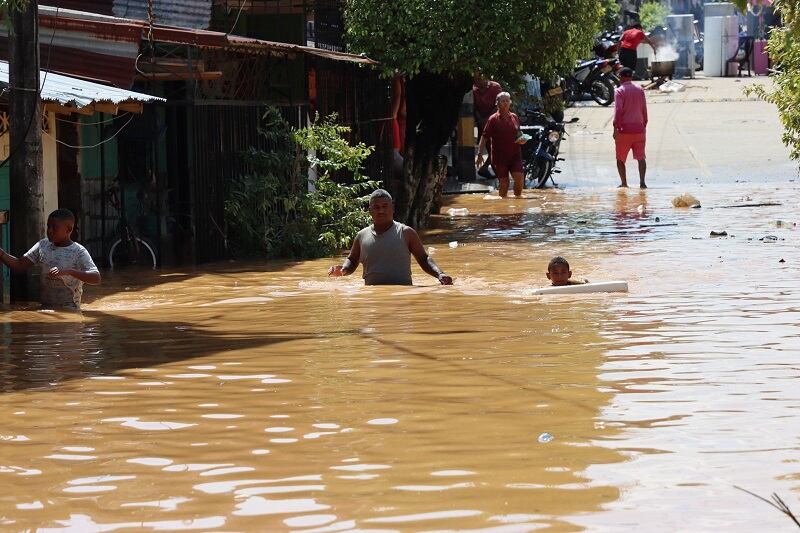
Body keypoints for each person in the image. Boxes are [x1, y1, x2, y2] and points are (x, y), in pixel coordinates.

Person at [328, 189, 453, 286]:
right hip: (371, 299)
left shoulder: (406, 232)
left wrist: (440, 274)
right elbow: (352, 260)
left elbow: (424, 259)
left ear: (392, 208)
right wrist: (343, 270)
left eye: (385, 206)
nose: (381, 210)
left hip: (402, 296)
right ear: (369, 211)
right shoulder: (361, 236)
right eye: (376, 207)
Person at [0, 208, 101, 309]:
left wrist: (69, 272)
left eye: (54, 228)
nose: (49, 231)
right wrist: (2, 254)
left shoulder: (78, 251)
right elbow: (19, 265)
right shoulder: (43, 245)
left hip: (69, 310)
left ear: (68, 230)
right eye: (48, 226)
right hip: (45, 308)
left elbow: (96, 278)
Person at [475, 92, 525, 198]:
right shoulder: (493, 119)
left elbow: (519, 134)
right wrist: (479, 153)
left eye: (507, 101)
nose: (506, 103)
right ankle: (503, 209)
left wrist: (522, 139)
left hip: (515, 155)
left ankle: (518, 203)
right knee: (504, 183)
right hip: (500, 157)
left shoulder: (514, 117)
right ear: (497, 103)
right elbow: (484, 137)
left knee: (520, 178)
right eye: (503, 101)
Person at [613, 67, 648, 189]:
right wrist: (644, 125)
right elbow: (644, 110)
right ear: (631, 77)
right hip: (639, 129)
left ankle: (624, 183)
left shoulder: (619, 91)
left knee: (620, 158)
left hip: (624, 131)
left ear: (621, 77)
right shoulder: (640, 89)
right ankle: (642, 183)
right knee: (641, 158)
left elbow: (618, 110)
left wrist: (616, 128)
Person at [473, 75, 503, 177]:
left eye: (479, 78)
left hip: (495, 121)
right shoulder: (473, 89)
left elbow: (498, 105)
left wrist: (488, 119)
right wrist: (480, 120)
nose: (477, 81)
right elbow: (473, 107)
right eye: (476, 79)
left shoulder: (495, 87)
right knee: (489, 147)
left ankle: (487, 168)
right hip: (481, 122)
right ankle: (487, 169)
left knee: (496, 148)